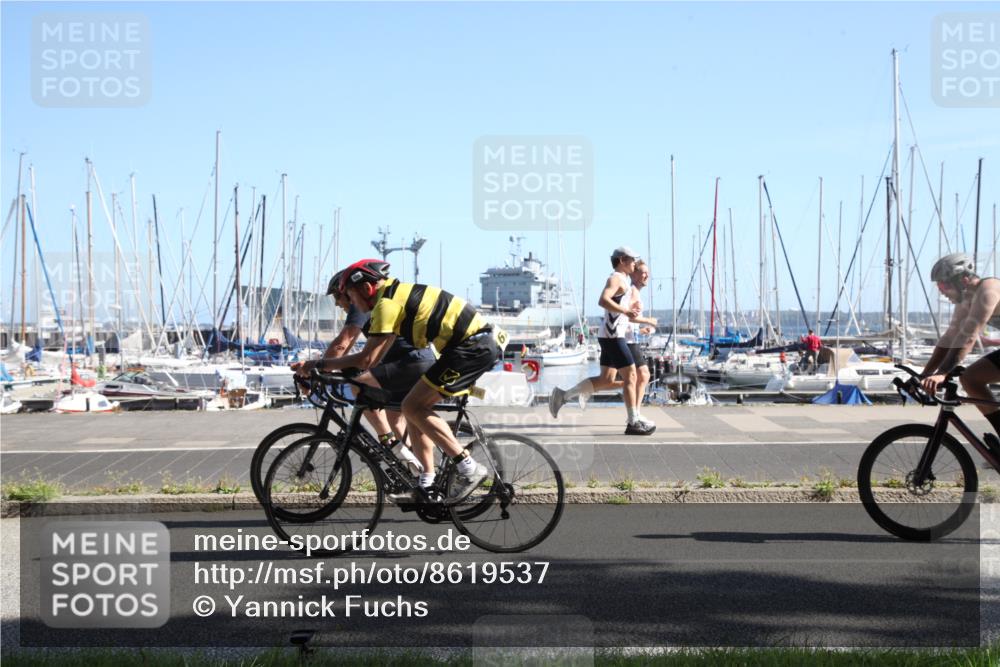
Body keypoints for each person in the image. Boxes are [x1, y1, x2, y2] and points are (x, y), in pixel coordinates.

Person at [317, 259, 505, 504]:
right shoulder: (393, 298)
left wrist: (317, 366)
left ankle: (468, 468)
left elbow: (367, 358)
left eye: (348, 294)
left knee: (411, 407)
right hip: (464, 347)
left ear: (365, 288)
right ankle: (425, 484)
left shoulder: (386, 303)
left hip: (471, 347)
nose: (346, 301)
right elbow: (376, 357)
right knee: (411, 407)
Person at [292, 268, 433, 473]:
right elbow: (348, 350)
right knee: (396, 419)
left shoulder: (360, 305)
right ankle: (416, 470)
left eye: (336, 298)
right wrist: (326, 369)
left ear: (346, 292)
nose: (337, 304)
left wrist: (317, 370)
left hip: (409, 362)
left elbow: (344, 342)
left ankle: (387, 443)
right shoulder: (363, 305)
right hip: (409, 361)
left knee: (360, 385)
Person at [549, 246, 654, 435]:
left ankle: (562, 396)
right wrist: (627, 311)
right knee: (631, 375)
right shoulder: (616, 278)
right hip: (613, 337)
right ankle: (633, 421)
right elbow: (603, 300)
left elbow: (619, 309)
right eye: (632, 260)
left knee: (606, 379)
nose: (634, 263)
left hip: (610, 336)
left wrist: (633, 313)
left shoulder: (622, 282)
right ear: (622, 260)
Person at [919, 253, 1000, 453]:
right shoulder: (967, 300)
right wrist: (926, 373)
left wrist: (943, 373)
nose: (942, 292)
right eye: (939, 287)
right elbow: (950, 337)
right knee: (970, 379)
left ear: (963, 279)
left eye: (944, 286)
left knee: (971, 377)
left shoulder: (988, 291)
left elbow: (969, 337)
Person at [626, 260, 658, 424]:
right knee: (643, 375)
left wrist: (641, 329)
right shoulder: (632, 292)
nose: (647, 275)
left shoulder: (635, 292)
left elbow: (630, 320)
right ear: (634, 274)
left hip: (631, 338)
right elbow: (628, 315)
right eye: (643, 272)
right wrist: (649, 321)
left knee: (608, 380)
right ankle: (635, 413)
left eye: (648, 272)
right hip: (627, 341)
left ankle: (635, 412)